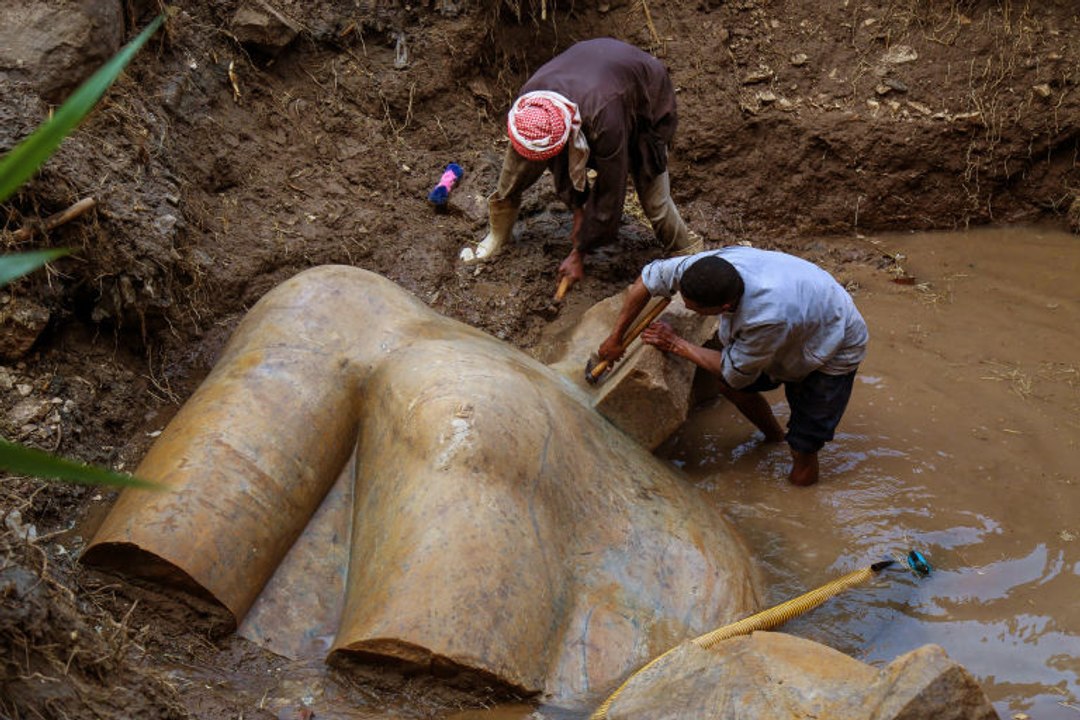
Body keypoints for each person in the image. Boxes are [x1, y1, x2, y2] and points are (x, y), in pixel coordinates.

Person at [597, 246, 869, 486]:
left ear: (725, 306)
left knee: (804, 447)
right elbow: (647, 279)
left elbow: (735, 373)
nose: (691, 311)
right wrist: (615, 338)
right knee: (728, 388)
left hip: (831, 344)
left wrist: (676, 344)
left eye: (698, 310)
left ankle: (801, 497)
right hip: (800, 312)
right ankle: (775, 438)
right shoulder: (704, 267)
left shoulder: (766, 316)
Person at [459, 37, 702, 294]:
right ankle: (497, 236)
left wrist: (580, 252)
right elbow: (558, 161)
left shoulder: (605, 121)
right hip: (591, 78)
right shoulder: (531, 103)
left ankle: (689, 257)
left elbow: (612, 190)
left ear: (566, 135)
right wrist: (578, 207)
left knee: (655, 199)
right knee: (513, 172)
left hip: (639, 99)